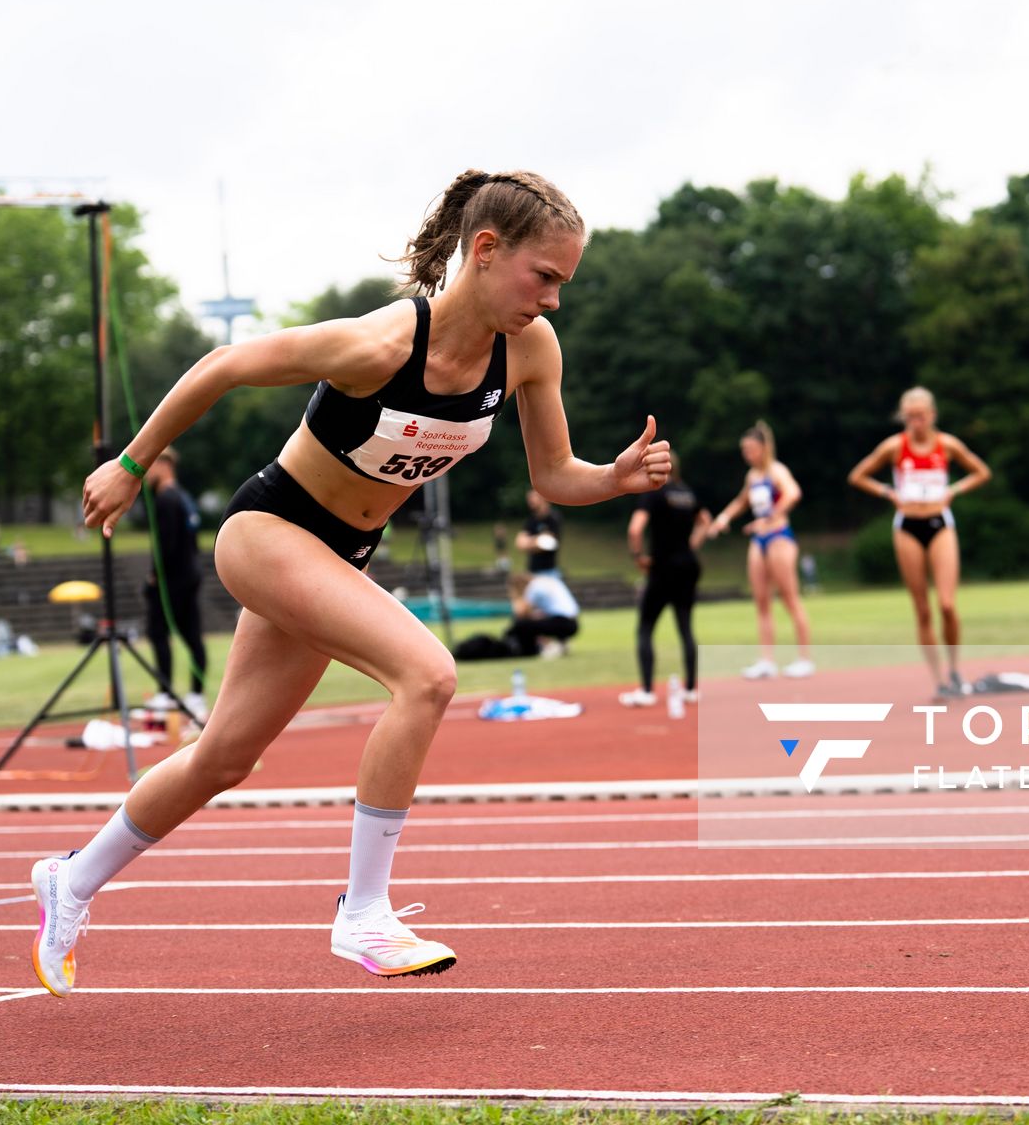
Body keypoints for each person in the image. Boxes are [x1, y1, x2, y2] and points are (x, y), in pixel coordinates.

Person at [34, 169, 670, 997]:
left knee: (224, 757)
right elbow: (224, 364)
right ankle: (364, 910)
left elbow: (554, 475)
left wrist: (613, 479)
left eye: (563, 283)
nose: (553, 301)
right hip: (268, 533)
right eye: (544, 277)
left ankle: (70, 882)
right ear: (485, 251)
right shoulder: (376, 346)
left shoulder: (529, 352)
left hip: (339, 556)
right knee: (428, 675)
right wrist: (130, 463)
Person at [846, 387, 992, 697]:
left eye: (920, 416)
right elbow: (858, 475)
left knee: (947, 604)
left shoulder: (947, 444)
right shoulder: (894, 447)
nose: (915, 422)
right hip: (907, 526)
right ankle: (938, 680)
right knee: (923, 610)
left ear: (932, 415)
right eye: (910, 417)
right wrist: (888, 492)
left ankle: (954, 670)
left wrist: (955, 490)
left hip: (940, 523)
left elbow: (981, 472)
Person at [707, 421, 813, 679]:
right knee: (761, 601)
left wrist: (768, 519)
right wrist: (723, 518)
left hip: (779, 536)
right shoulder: (752, 476)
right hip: (759, 540)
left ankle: (804, 659)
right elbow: (741, 501)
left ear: (763, 448)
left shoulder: (776, 471)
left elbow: (793, 493)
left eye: (751, 449)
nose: (747, 454)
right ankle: (766, 661)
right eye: (744, 450)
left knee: (790, 598)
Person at [620, 452, 711, 707]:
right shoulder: (687, 493)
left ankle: (648, 691)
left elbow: (635, 529)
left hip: (662, 567)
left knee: (646, 627)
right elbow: (705, 521)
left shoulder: (653, 493)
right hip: (688, 566)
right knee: (685, 627)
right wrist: (691, 545)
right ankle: (692, 689)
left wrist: (638, 557)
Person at [141, 447, 208, 719]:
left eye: (149, 466)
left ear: (164, 465)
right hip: (190, 574)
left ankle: (166, 693)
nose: (145, 475)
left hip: (174, 579)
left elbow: (165, 546)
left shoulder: (165, 499)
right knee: (192, 637)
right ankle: (196, 696)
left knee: (158, 631)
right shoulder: (183, 497)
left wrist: (153, 577)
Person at [506, 569, 580, 659]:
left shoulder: (533, 587)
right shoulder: (549, 580)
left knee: (521, 624)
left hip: (563, 623)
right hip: (574, 622)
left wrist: (516, 598)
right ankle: (561, 644)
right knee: (539, 617)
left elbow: (521, 612)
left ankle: (545, 647)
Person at [516, 489, 562, 574]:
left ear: (542, 497)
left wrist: (529, 542)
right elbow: (520, 544)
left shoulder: (553, 517)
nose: (529, 500)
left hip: (549, 571)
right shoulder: (531, 520)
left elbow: (546, 543)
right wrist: (537, 540)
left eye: (532, 497)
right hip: (532, 571)